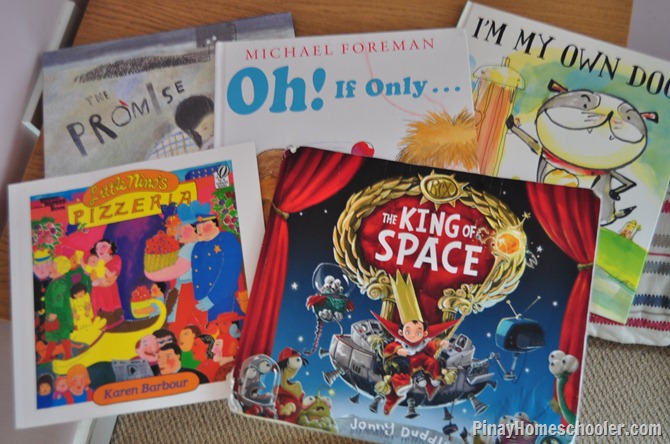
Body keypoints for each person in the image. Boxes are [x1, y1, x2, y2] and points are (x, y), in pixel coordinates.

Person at [191, 210, 244, 322]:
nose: (199, 230)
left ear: (213, 224)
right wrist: (200, 297)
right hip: (203, 301)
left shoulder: (227, 239)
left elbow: (230, 272)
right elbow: (197, 273)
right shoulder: (198, 247)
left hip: (224, 296)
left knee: (228, 324)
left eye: (204, 226)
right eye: (198, 227)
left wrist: (212, 298)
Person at [40, 256, 76, 363]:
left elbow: (57, 300)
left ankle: (67, 355)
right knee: (55, 337)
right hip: (58, 315)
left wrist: (53, 314)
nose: (50, 268)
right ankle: (49, 357)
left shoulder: (59, 284)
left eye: (54, 266)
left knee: (58, 336)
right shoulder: (56, 282)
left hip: (60, 316)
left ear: (61, 269)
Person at [88, 239, 124, 326]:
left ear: (110, 248)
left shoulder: (116, 259)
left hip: (109, 295)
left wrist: (99, 282)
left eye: (103, 246)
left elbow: (110, 281)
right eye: (97, 248)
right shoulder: (93, 262)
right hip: (97, 295)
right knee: (98, 321)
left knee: (111, 319)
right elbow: (92, 277)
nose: (100, 250)